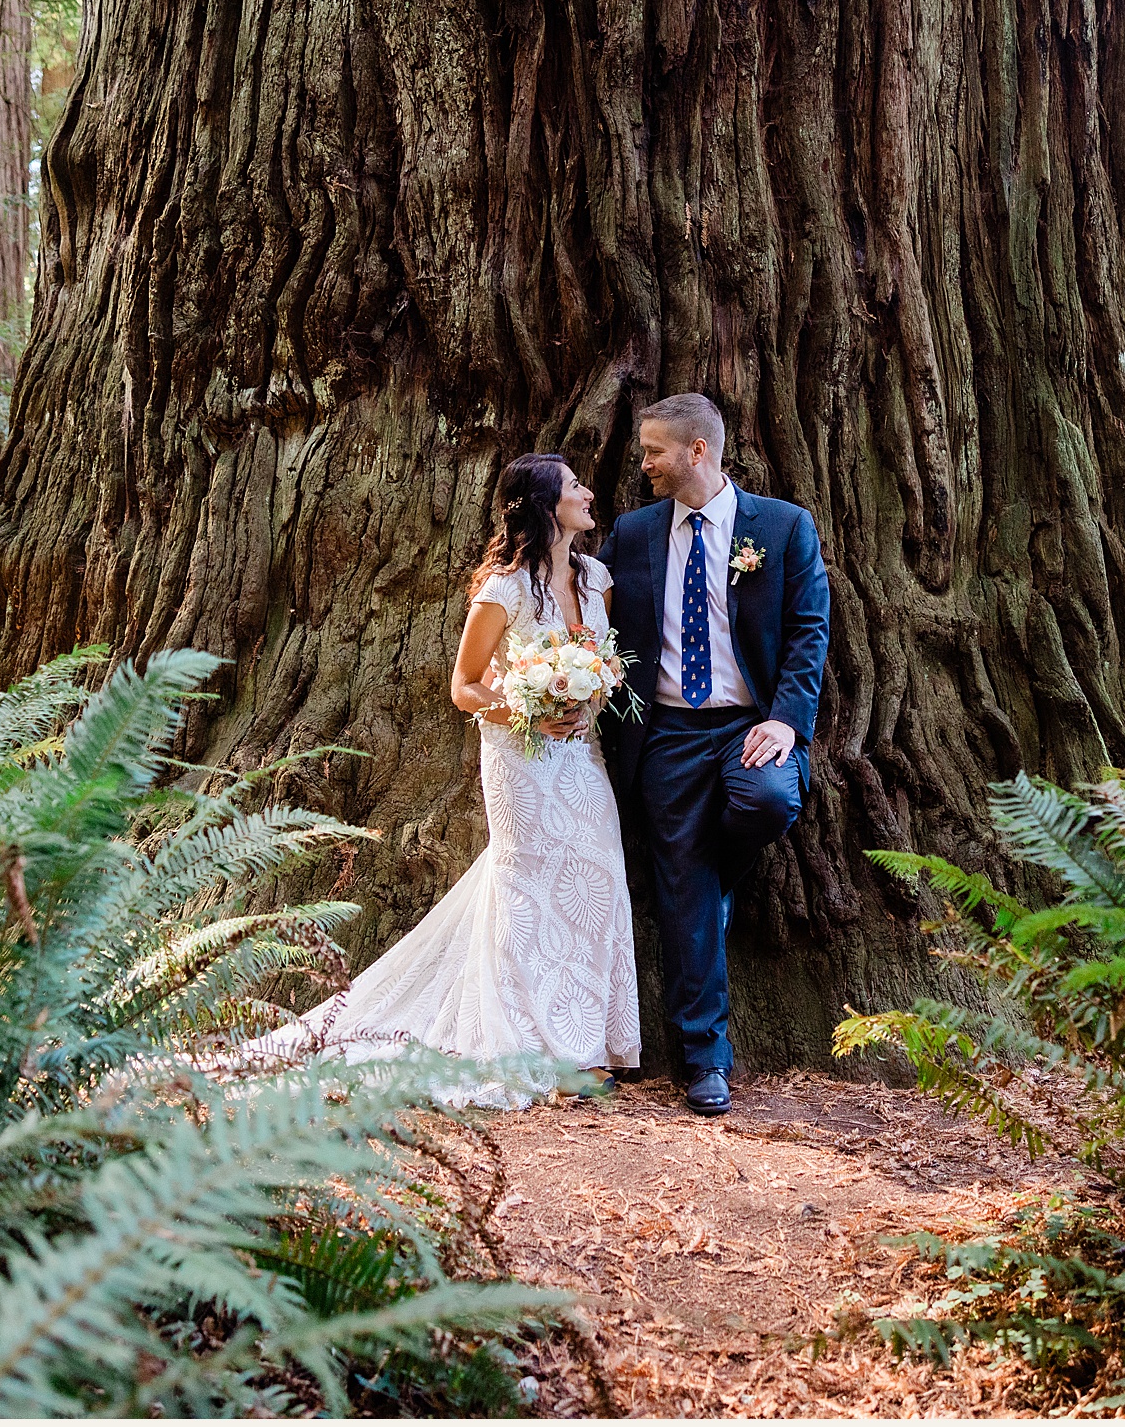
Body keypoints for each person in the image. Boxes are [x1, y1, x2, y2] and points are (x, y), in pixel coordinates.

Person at [273, 452, 640, 1100]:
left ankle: (588, 1043)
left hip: (582, 757)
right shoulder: (501, 589)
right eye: (574, 485)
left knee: (597, 882)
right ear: (544, 503)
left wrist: (588, 699)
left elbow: (602, 663)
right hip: (521, 758)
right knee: (528, 892)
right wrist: (530, 706)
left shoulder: (597, 578)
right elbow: (464, 685)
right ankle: (544, 1052)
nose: (588, 492)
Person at [599, 394, 831, 1115]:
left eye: (654, 451)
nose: (643, 464)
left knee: (767, 800)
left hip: (747, 726)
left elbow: (808, 631)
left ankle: (717, 878)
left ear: (697, 452)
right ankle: (704, 1060)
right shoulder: (633, 534)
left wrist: (789, 722)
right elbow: (595, 619)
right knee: (683, 891)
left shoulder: (782, 527)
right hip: (666, 733)